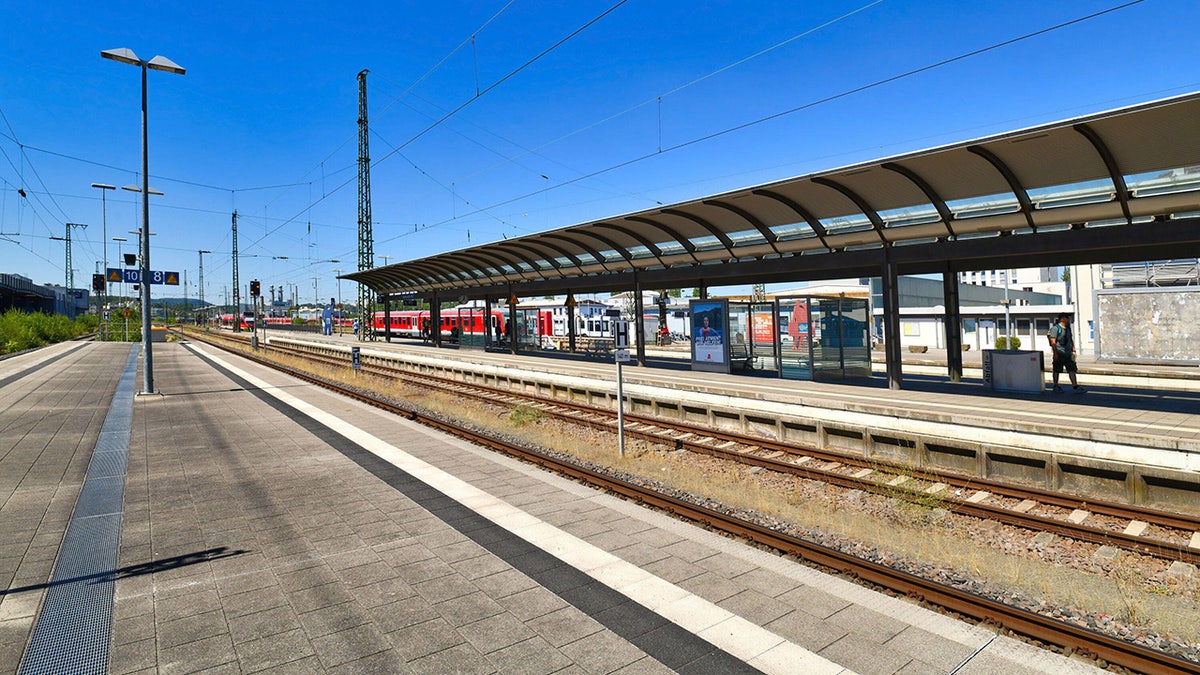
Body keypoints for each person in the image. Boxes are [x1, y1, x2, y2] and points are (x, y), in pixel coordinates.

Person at [1047, 313, 1084, 393]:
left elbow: (1070, 339)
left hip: (1068, 353)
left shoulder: (1068, 329)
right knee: (1056, 370)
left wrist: (1073, 350)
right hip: (1059, 353)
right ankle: (1056, 386)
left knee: (1072, 369)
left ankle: (1075, 386)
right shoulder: (1055, 329)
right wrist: (1055, 353)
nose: (1068, 319)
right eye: (1067, 318)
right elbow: (1053, 342)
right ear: (1062, 319)